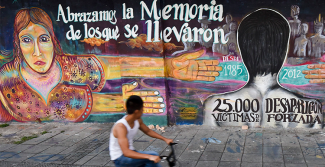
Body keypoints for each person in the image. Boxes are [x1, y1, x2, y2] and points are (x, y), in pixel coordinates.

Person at [0, 7, 223, 122]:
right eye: (27, 40)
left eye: (44, 39)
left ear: (53, 41)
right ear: (18, 44)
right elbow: (63, 107)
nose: (37, 51)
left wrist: (168, 68)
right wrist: (120, 102)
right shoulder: (10, 84)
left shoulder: (64, 64)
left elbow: (113, 65)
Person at [204, 9, 322, 128]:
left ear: (242, 51)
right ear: (284, 52)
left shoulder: (214, 107)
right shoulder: (310, 109)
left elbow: (208, 143)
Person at [110, 95, 173, 167]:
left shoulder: (136, 120)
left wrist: (165, 139)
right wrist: (148, 157)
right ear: (136, 111)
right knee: (151, 157)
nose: (143, 111)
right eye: (142, 109)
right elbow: (126, 152)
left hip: (130, 153)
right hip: (120, 158)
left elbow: (148, 131)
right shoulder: (121, 127)